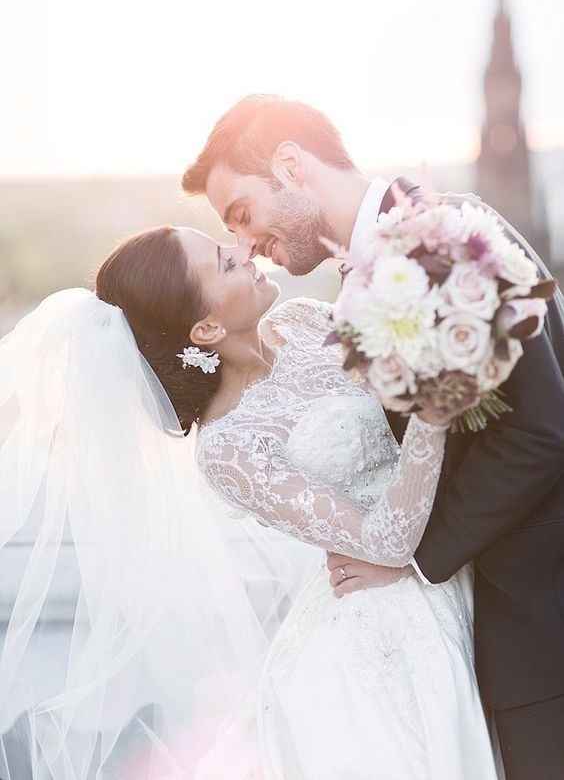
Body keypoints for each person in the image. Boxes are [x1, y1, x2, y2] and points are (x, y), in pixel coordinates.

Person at [0, 225, 498, 779]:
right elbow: (387, 540)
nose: (244, 251)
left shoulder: (306, 320)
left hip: (465, 544)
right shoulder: (229, 448)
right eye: (225, 261)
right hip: (385, 623)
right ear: (207, 326)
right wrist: (437, 398)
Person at [183, 94, 564, 780]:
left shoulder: (449, 237)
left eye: (242, 213)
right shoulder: (361, 281)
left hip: (542, 624)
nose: (244, 244)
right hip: (470, 638)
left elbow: (541, 430)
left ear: (291, 166)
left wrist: (412, 558)